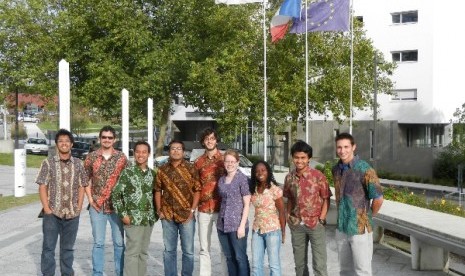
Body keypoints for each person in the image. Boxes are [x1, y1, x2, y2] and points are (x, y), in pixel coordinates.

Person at [36, 128, 88, 276]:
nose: (64, 144)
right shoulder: (48, 163)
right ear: (56, 144)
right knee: (48, 248)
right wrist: (47, 209)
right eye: (61, 141)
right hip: (52, 213)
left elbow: (82, 186)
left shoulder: (78, 164)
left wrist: (78, 208)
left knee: (68, 249)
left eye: (67, 141)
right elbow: (42, 185)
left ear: (72, 144)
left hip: (72, 214)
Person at [332, 133, 384, 276]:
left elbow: (378, 198)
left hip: (359, 230)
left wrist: (367, 217)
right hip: (342, 228)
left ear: (353, 147)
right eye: (339, 147)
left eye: (346, 147)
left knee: (363, 271)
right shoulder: (336, 170)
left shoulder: (365, 169)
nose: (342, 151)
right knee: (345, 271)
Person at [85, 125, 128, 276]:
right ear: (100, 138)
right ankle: (97, 273)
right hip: (97, 207)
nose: (107, 140)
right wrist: (90, 199)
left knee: (119, 243)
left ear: (114, 139)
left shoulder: (122, 158)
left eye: (110, 137)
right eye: (104, 137)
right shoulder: (91, 157)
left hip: (117, 207)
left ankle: (120, 272)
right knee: (98, 243)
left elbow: (127, 181)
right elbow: (85, 179)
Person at [155, 139, 201, 276]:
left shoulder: (191, 168)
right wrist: (159, 210)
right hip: (168, 215)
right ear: (169, 152)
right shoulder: (162, 170)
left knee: (188, 251)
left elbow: (197, 190)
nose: (176, 151)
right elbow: (157, 190)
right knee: (169, 251)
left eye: (178, 148)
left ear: (183, 151)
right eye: (173, 148)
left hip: (187, 215)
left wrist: (192, 210)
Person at [283, 140, 330, 276]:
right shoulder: (289, 177)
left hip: (315, 224)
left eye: (303, 157)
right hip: (297, 225)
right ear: (292, 158)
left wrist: (321, 219)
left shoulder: (318, 176)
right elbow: (289, 199)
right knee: (299, 264)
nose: (299, 161)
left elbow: (326, 198)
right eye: (296, 157)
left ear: (309, 158)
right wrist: (288, 217)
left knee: (319, 264)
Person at [111, 141, 158, 276]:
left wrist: (155, 215)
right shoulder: (127, 173)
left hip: (148, 220)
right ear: (134, 153)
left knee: (143, 252)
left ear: (149, 154)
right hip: (132, 220)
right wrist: (123, 215)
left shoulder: (152, 174)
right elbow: (115, 195)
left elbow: (156, 194)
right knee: (132, 253)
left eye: (144, 152)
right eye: (138, 152)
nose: (141, 155)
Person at [194, 128, 227, 276]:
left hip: (222, 209)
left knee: (224, 247)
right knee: (204, 248)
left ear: (216, 140)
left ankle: (226, 273)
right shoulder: (198, 162)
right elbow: (195, 186)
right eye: (207, 138)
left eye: (212, 138)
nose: (209, 141)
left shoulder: (225, 160)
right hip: (203, 210)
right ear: (203, 141)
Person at [217, 150, 251, 276]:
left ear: (237, 163)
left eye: (232, 161)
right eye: (227, 161)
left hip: (237, 225)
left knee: (240, 257)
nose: (229, 164)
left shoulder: (242, 179)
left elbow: (247, 204)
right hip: (222, 225)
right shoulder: (221, 179)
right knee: (229, 257)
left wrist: (242, 226)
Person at [249, 160, 286, 276]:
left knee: (274, 265)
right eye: (257, 171)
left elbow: (281, 212)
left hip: (273, 231)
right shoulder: (253, 189)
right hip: (257, 230)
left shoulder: (275, 190)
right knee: (255, 265)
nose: (260, 173)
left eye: (263, 170)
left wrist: (283, 232)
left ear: (268, 171)